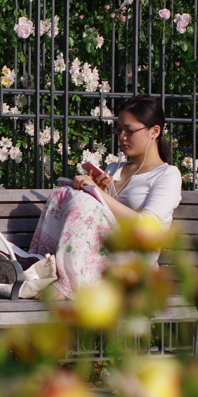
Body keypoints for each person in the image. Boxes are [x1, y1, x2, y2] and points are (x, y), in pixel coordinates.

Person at [28, 95, 182, 300]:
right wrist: (93, 192)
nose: (122, 137)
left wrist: (99, 196)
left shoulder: (167, 174)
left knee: (85, 202)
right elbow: (101, 217)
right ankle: (53, 271)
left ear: (154, 131)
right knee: (68, 194)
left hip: (135, 258)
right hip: (102, 250)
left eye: (130, 131)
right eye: (119, 130)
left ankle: (69, 284)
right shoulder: (114, 169)